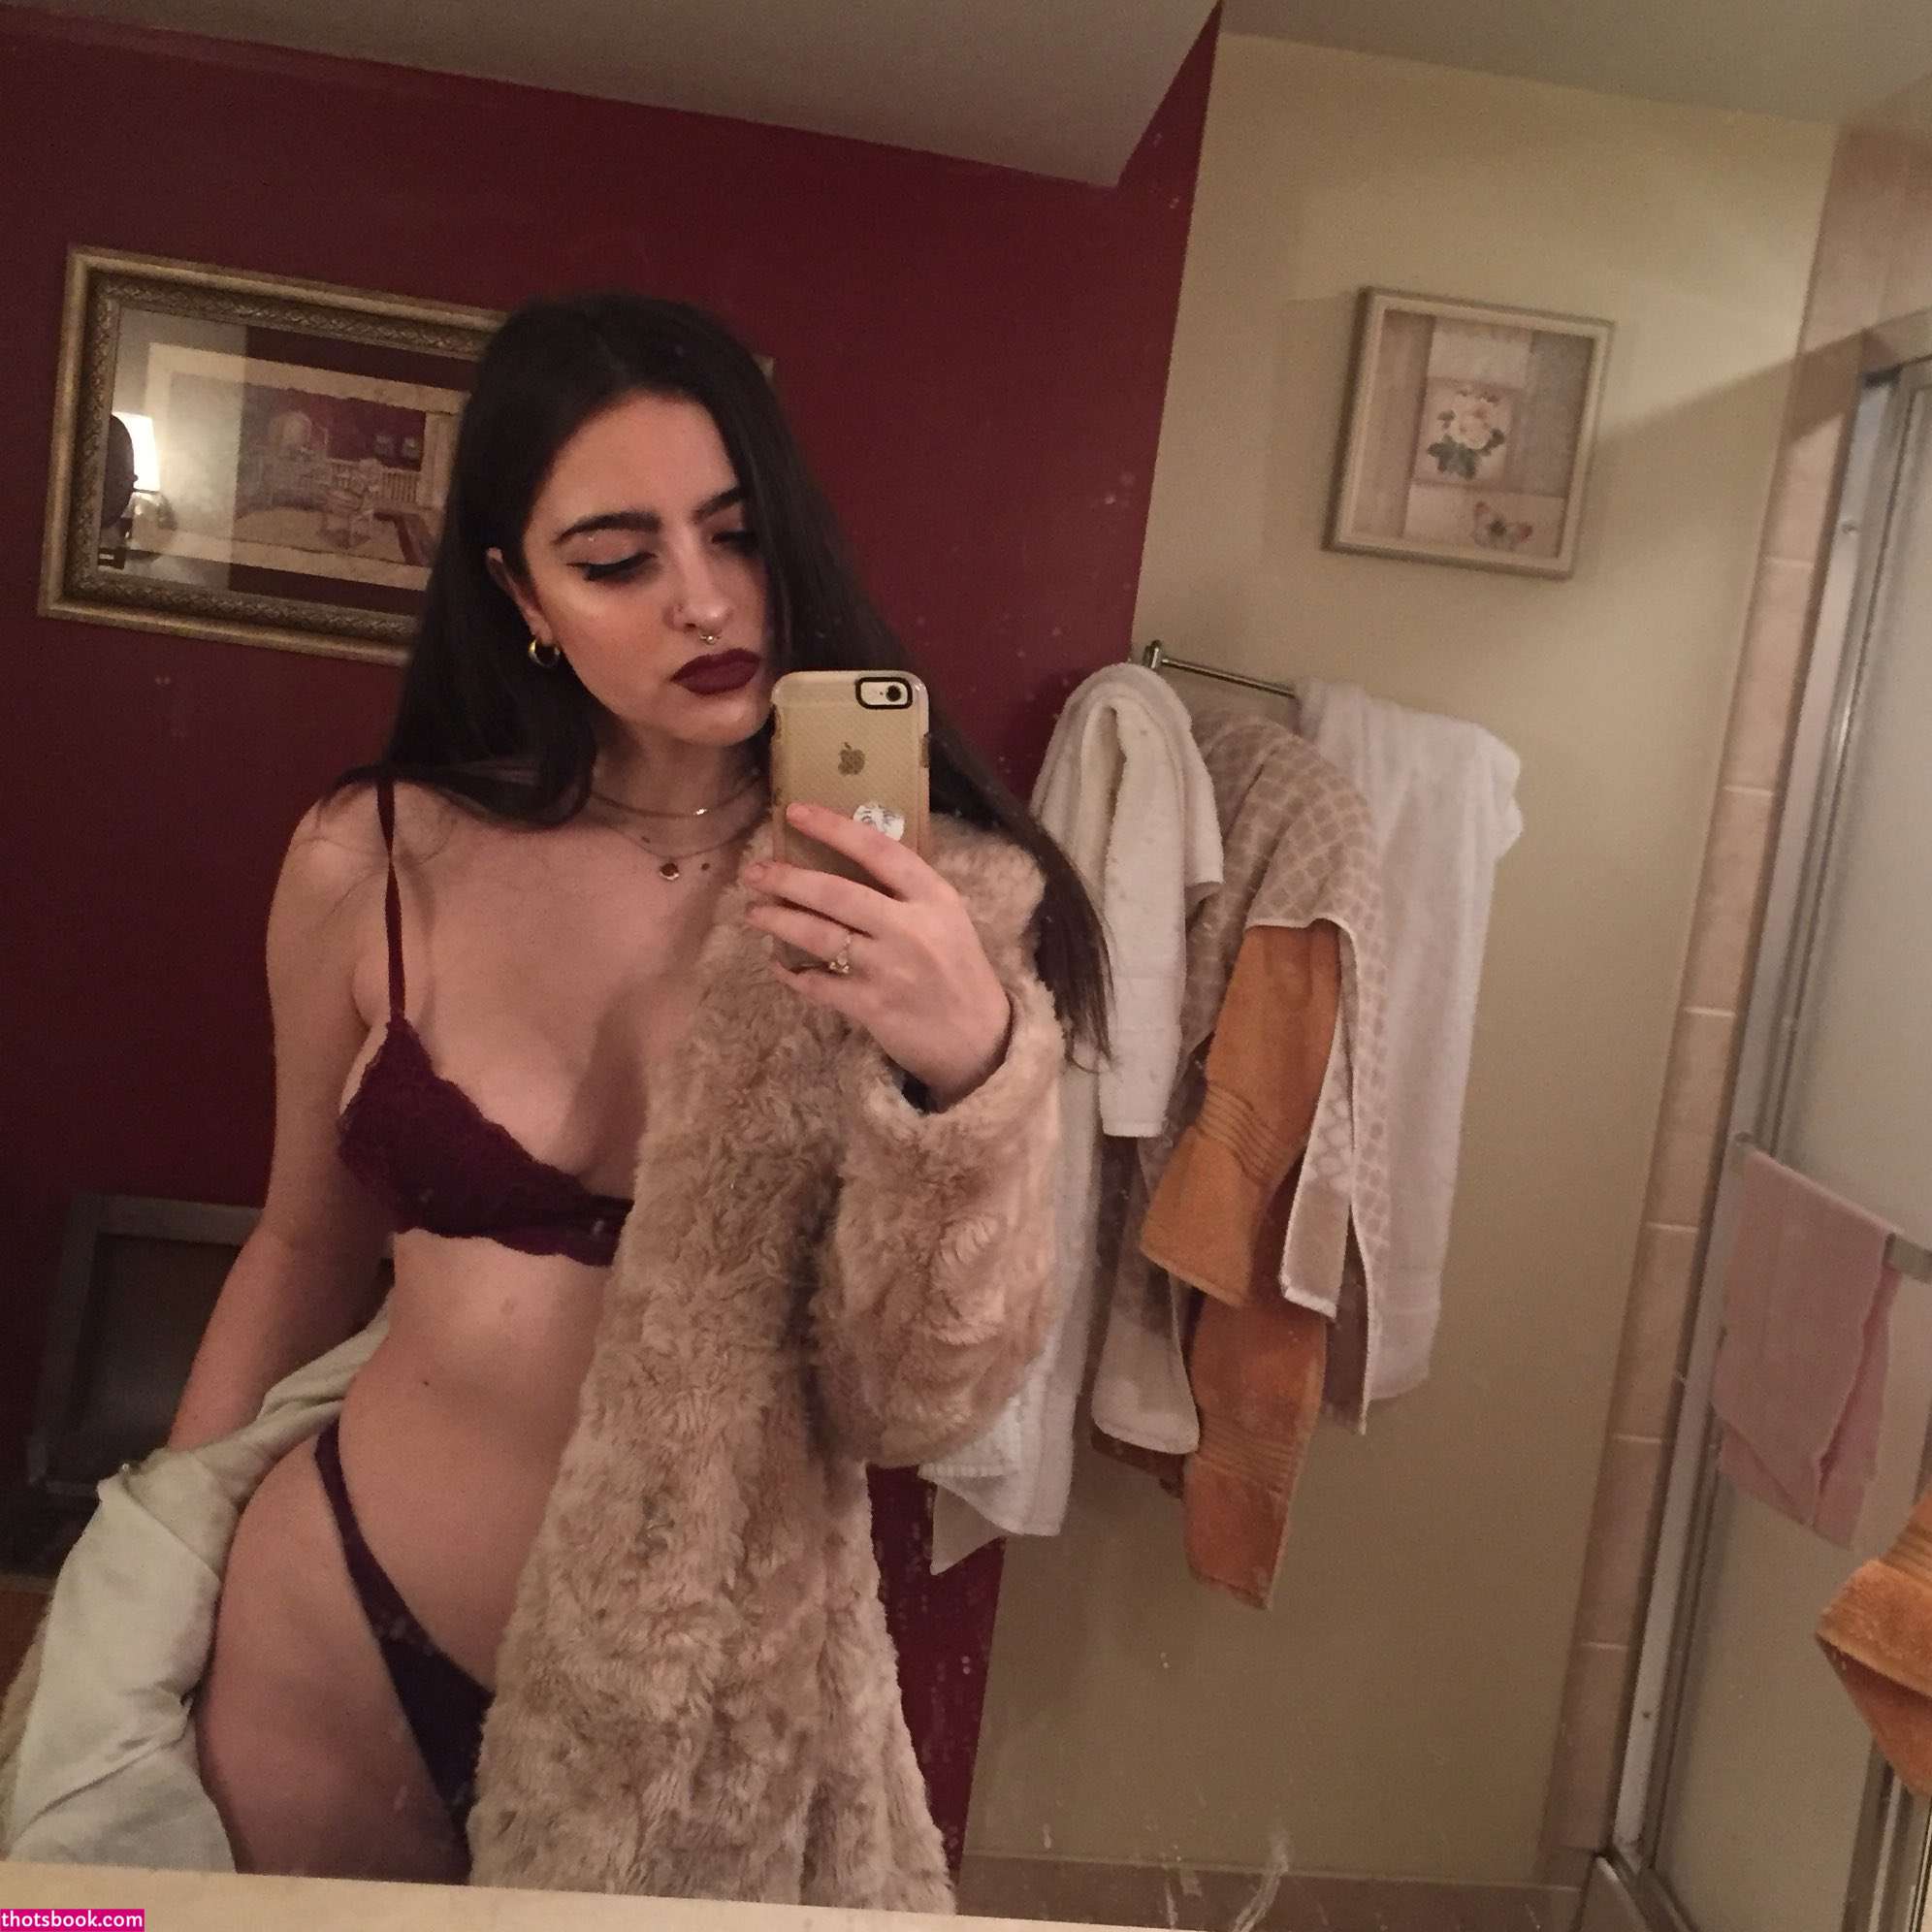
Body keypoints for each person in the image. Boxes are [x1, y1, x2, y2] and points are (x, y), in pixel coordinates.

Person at [168, 292, 1107, 1887]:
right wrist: (161, 1562)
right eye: (617, 559)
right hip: (324, 1624)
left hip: (696, 1709)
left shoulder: (929, 905)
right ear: (518, 595)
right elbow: (302, 1245)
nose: (703, 598)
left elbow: (912, 1403)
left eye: (737, 534)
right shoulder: (372, 854)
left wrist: (970, 1068)